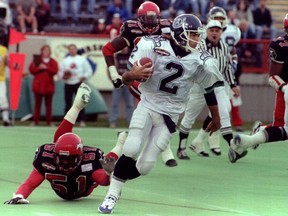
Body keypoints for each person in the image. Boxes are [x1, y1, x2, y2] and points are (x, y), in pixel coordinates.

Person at [98, 14, 223, 214]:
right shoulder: (150, 45)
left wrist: (216, 117)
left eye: (197, 35)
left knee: (146, 166)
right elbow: (127, 78)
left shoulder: (200, 59)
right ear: (181, 34)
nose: (197, 40)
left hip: (170, 116)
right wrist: (132, 75)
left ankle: (116, 177)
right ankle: (112, 194)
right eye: (193, 35)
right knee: (131, 147)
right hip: (148, 104)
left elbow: (208, 89)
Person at [3, 83, 125, 204]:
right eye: (62, 158)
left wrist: (110, 173)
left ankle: (120, 144)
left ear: (81, 156)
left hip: (84, 191)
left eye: (70, 159)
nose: (65, 163)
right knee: (59, 139)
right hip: (63, 189)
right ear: (54, 154)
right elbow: (30, 183)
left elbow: (103, 181)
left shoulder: (89, 159)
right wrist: (19, 195)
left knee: (107, 164)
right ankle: (77, 107)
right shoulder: (47, 157)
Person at [102, 1, 177, 167]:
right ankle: (164, 150)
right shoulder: (131, 29)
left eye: (153, 23)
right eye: (146, 23)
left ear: (159, 19)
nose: (150, 28)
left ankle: (122, 143)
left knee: (150, 115)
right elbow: (107, 49)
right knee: (154, 110)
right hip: (138, 76)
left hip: (160, 77)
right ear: (139, 20)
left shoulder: (167, 27)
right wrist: (115, 75)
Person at [177, 7, 242, 160]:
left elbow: (227, 68)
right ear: (207, 31)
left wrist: (233, 85)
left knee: (225, 112)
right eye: (212, 29)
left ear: (221, 32)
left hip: (217, 86)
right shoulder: (199, 45)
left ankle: (232, 147)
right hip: (199, 87)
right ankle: (182, 147)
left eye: (217, 30)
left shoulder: (225, 47)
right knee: (189, 117)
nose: (214, 33)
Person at [228, 14, 288, 163]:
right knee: (283, 129)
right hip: (286, 89)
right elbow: (272, 76)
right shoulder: (281, 46)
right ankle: (249, 140)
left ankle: (252, 138)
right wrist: (285, 89)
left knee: (282, 130)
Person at [58, 44, 93, 127]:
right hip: (68, 83)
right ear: (69, 51)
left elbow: (89, 70)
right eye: (70, 49)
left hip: (78, 83)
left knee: (80, 102)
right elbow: (60, 72)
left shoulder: (82, 59)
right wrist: (63, 76)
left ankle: (81, 120)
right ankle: (66, 122)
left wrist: (84, 77)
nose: (72, 50)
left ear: (76, 50)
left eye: (73, 49)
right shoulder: (65, 60)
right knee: (68, 102)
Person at [29, 45, 58, 126]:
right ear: (41, 51)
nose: (46, 52)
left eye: (47, 50)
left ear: (50, 52)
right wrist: (39, 68)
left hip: (49, 86)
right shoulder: (37, 59)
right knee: (37, 105)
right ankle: (35, 121)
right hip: (38, 86)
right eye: (44, 50)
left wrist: (46, 67)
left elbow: (55, 71)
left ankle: (49, 121)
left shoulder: (53, 61)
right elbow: (31, 70)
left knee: (48, 105)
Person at [0, 44, 10, 126]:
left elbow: (8, 64)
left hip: (1, 78)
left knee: (3, 98)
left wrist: (7, 60)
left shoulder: (3, 49)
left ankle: (5, 119)